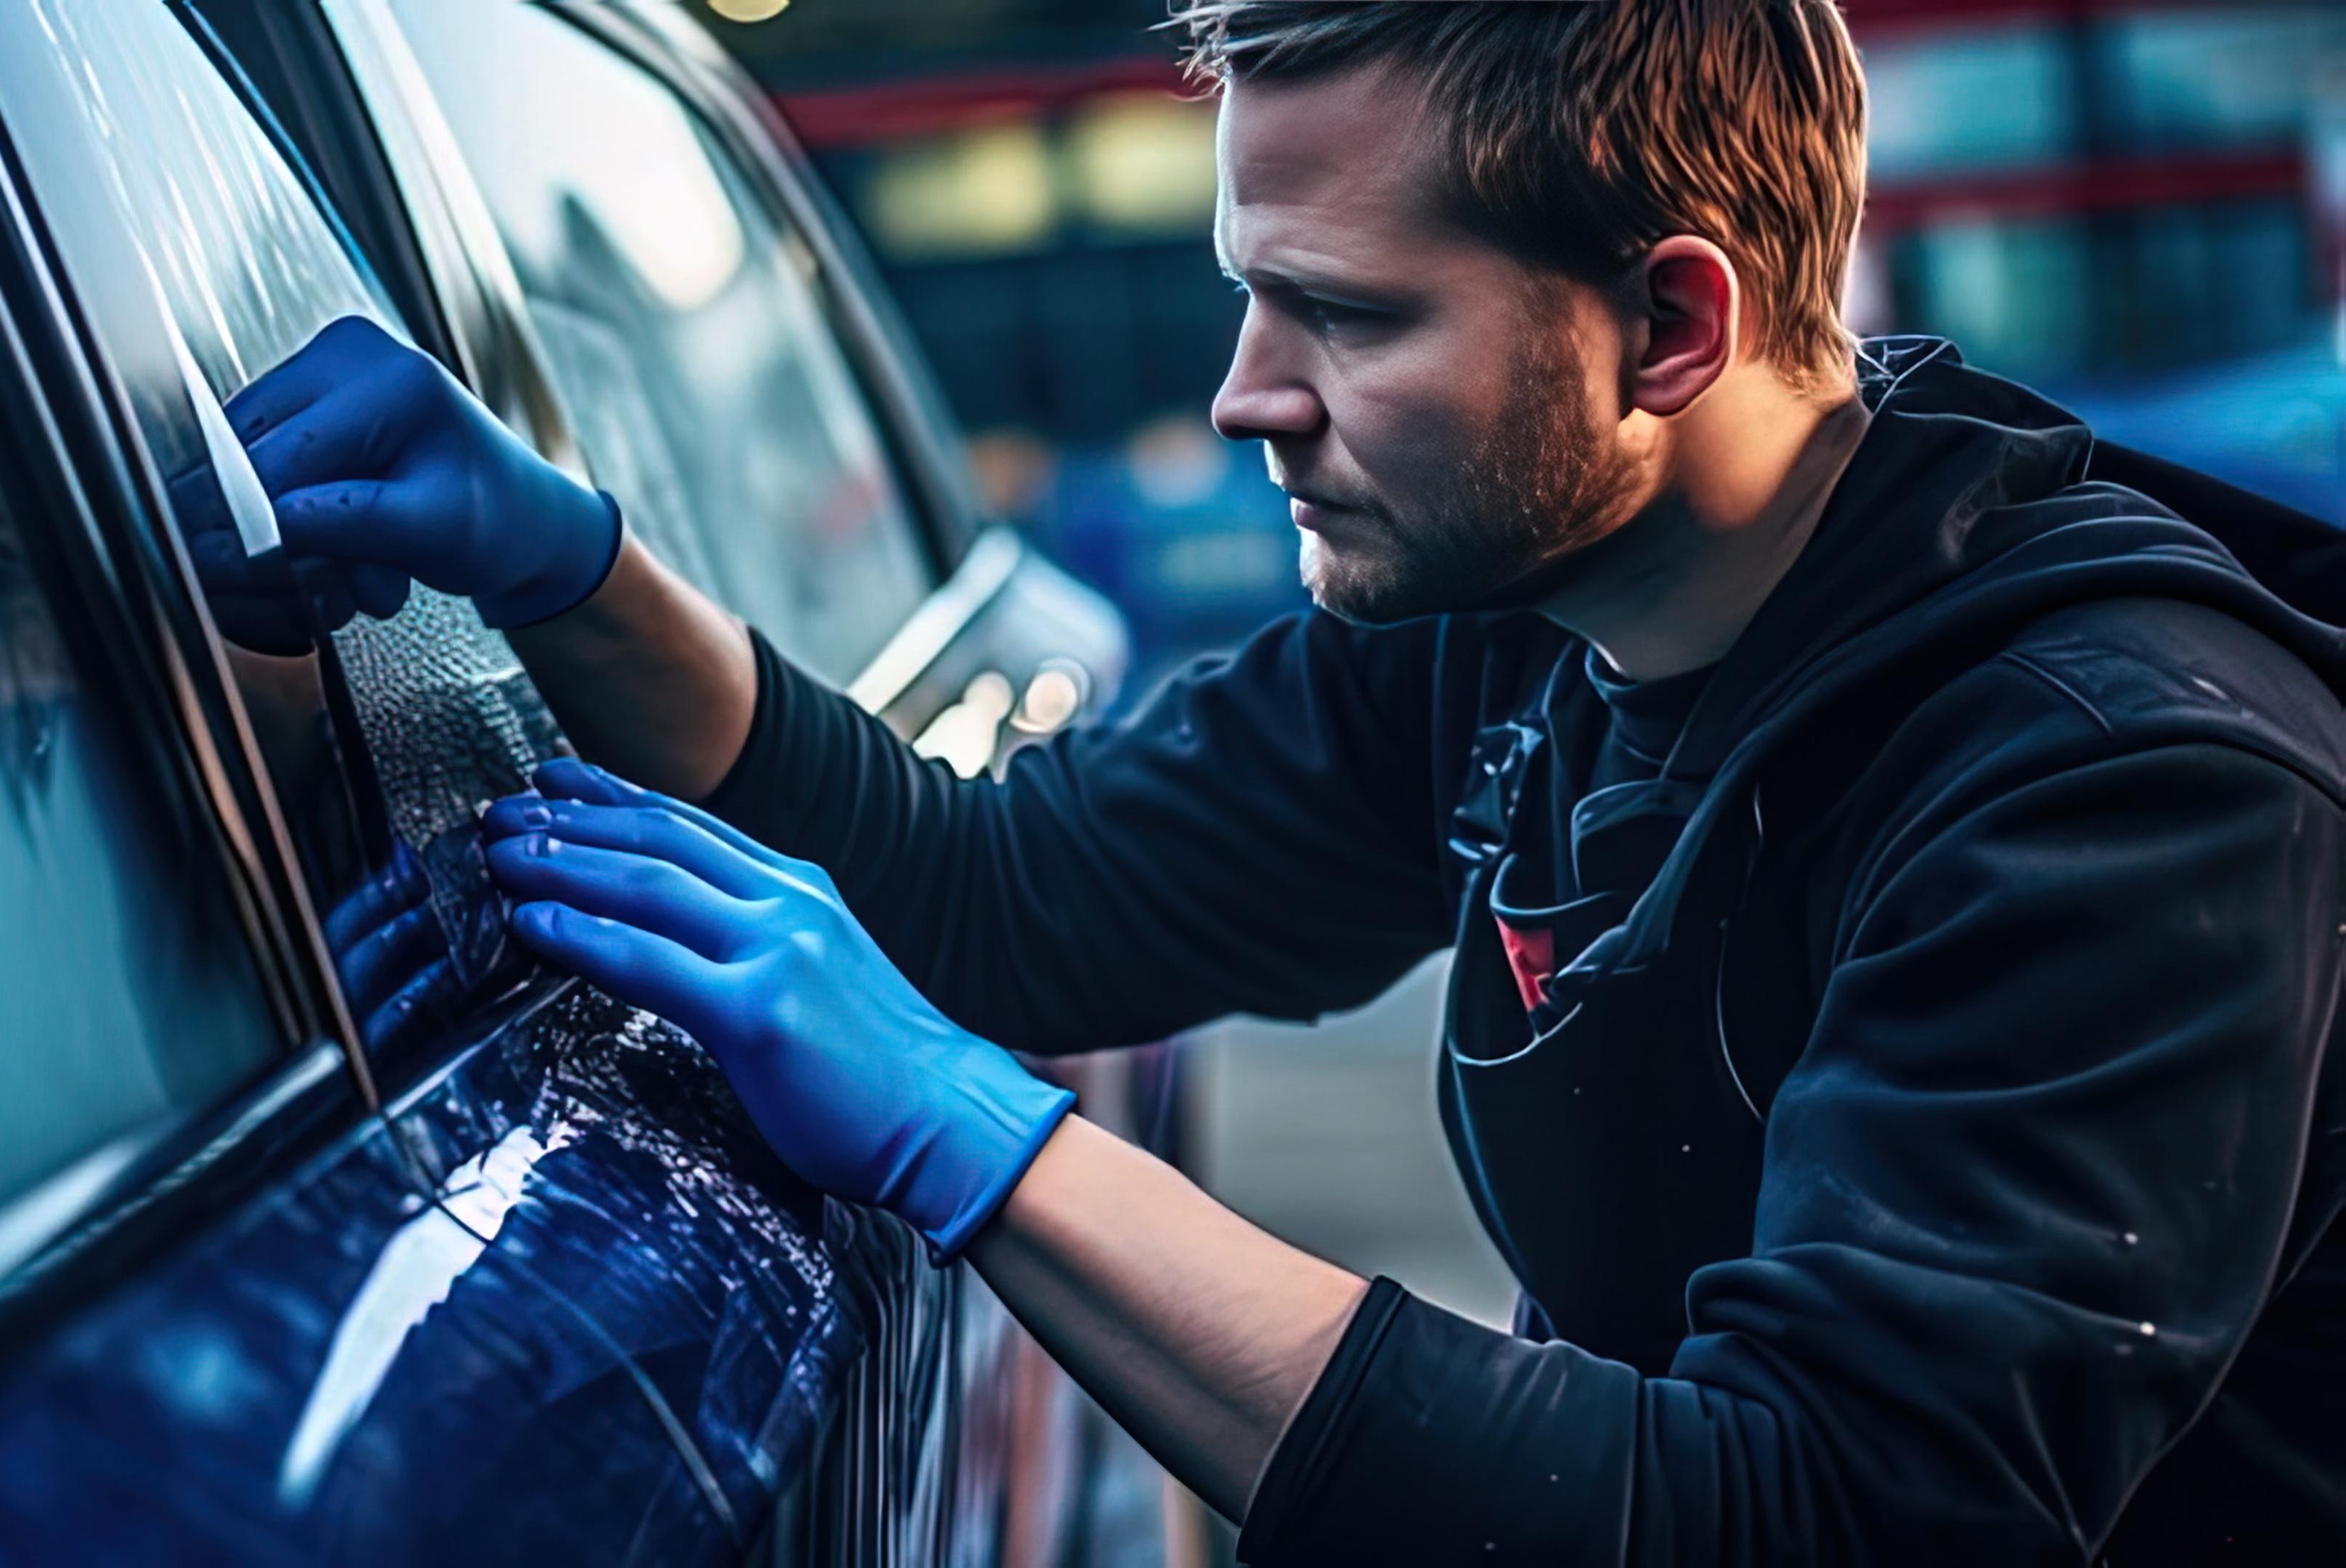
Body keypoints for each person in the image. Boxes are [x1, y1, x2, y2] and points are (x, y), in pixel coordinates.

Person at [197, 2, 2346, 1559]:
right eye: (1252, 294)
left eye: (1343, 315)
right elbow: (1009, 892)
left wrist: (986, 1150)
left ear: (1669, 330)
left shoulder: (2118, 781)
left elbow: (1809, 1522)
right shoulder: (1512, 608)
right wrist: (571, 563)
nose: (1245, 399)